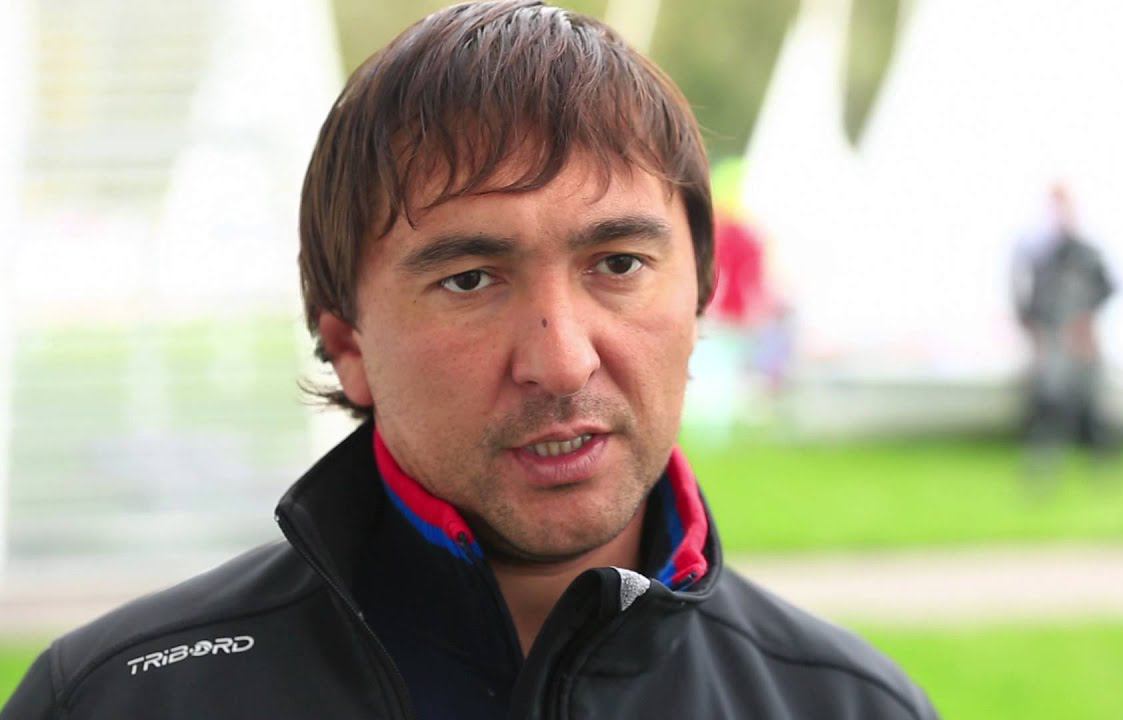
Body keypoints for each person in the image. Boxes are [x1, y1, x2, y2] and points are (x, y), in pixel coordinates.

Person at [2, 3, 937, 718]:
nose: (561, 363)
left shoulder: (847, 705)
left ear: (698, 302)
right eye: (471, 280)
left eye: (618, 264)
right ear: (349, 345)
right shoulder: (115, 702)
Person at [1012, 184, 1116, 476]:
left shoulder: (1087, 253)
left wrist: (1086, 320)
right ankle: (1043, 464)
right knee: (1049, 400)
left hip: (1081, 337)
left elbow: (1107, 289)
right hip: (1053, 336)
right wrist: (1032, 327)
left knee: (1093, 404)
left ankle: (1103, 466)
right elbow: (1028, 297)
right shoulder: (1041, 255)